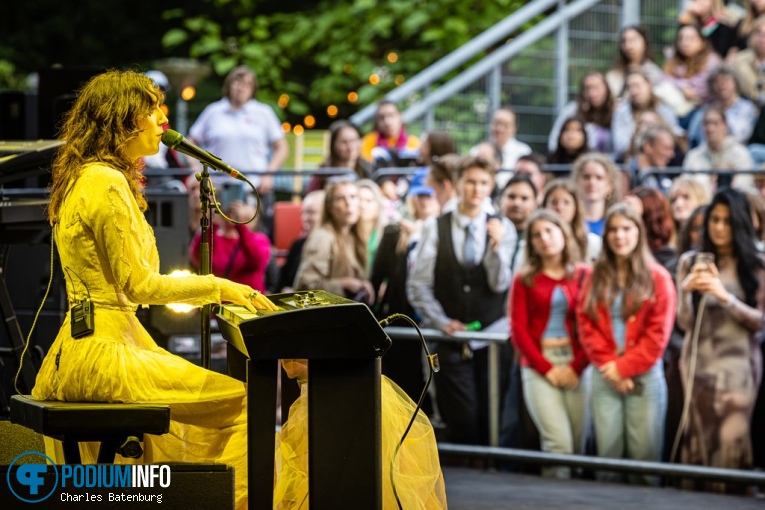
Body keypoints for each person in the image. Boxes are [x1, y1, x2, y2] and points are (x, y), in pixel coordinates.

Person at [32, 69, 279, 510]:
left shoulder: (87, 176)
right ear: (124, 120)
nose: (163, 120)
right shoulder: (105, 183)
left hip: (80, 349)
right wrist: (222, 287)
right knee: (245, 406)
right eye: (152, 110)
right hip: (106, 355)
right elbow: (140, 285)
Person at [408, 155, 517, 445]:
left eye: (483, 183)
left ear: (491, 186)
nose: (476, 189)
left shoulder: (503, 226)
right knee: (462, 415)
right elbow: (418, 284)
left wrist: (495, 250)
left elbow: (501, 284)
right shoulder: (435, 226)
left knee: (490, 414)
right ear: (457, 184)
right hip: (450, 337)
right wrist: (442, 322)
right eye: (470, 181)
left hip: (491, 336)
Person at [577, 203, 676, 485]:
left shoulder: (658, 277)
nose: (620, 236)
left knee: (644, 462)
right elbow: (586, 323)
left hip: (644, 378)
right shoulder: (595, 275)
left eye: (627, 229)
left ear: (638, 232)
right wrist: (611, 366)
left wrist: (623, 368)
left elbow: (658, 336)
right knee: (607, 458)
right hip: (604, 373)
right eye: (614, 230)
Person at [676, 188, 765, 493]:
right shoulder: (690, 261)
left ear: (739, 223)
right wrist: (686, 292)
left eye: (727, 221)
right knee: (698, 439)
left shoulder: (757, 265)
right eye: (714, 219)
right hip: (697, 364)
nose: (719, 227)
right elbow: (685, 324)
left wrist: (724, 297)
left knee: (731, 439)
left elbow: (759, 323)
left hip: (738, 368)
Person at [510, 209, 590, 478]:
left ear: (563, 234)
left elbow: (593, 328)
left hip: (577, 367)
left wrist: (576, 368)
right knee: (558, 444)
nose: (544, 238)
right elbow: (519, 331)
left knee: (578, 448)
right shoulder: (524, 279)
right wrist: (547, 369)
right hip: (538, 368)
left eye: (549, 231)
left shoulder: (585, 275)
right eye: (536, 235)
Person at [370, 168, 440, 404]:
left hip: (433, 319)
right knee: (402, 383)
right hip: (401, 319)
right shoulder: (394, 232)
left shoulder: (444, 231)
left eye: (430, 195)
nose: (425, 201)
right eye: (420, 195)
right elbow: (377, 276)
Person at [189, 65, 288, 196]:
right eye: (237, 82)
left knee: (246, 215)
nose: (241, 88)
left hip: (253, 187)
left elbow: (282, 148)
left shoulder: (264, 113)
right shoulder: (213, 111)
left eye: (247, 84)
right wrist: (198, 170)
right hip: (215, 187)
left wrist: (268, 175)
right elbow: (190, 143)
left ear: (253, 89)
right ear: (229, 85)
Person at [293, 179, 374, 304]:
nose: (349, 203)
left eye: (353, 197)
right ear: (330, 207)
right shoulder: (323, 237)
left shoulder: (354, 237)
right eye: (340, 198)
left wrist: (362, 284)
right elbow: (305, 286)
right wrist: (343, 284)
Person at [189, 198, 271, 291]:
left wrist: (240, 225)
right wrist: (212, 222)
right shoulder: (213, 236)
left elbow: (257, 261)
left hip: (249, 300)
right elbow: (196, 258)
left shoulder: (259, 239)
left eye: (247, 218)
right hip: (220, 301)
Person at [612, 70, 682, 161]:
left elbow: (675, 138)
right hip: (632, 159)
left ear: (649, 85)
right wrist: (639, 133)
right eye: (629, 87)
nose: (634, 91)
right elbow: (620, 146)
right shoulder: (622, 112)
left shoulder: (665, 109)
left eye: (637, 86)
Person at [683, 105, 756, 191]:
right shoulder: (693, 157)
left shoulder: (740, 154)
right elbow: (685, 186)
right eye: (706, 123)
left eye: (715, 123)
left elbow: (744, 186)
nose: (710, 129)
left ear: (725, 126)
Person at [661, 24, 722, 125]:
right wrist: (683, 86)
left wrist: (679, 85)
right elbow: (664, 79)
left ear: (702, 42)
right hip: (676, 110)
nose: (685, 43)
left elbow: (702, 89)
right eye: (682, 39)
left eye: (691, 39)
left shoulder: (712, 61)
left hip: (704, 109)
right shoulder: (673, 60)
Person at [548, 72, 615, 154]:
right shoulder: (572, 110)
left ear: (606, 89)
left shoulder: (617, 111)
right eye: (588, 88)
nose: (592, 93)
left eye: (596, 88)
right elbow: (553, 142)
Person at [541, 178, 602, 263]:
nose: (559, 208)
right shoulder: (537, 242)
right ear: (544, 207)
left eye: (566, 202)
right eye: (554, 202)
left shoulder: (592, 243)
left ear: (576, 207)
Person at [277, 190, 325, 292]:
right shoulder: (297, 244)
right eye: (303, 213)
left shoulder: (335, 245)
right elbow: (281, 282)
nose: (304, 218)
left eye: (311, 212)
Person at [306, 120, 371, 193]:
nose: (350, 147)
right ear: (333, 145)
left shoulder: (367, 168)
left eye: (353, 140)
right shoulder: (323, 172)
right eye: (344, 142)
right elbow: (311, 196)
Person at [605, 26, 664, 99]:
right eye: (624, 41)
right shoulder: (614, 74)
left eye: (633, 40)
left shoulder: (652, 72)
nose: (628, 46)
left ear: (644, 42)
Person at [571, 153, 622, 237]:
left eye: (599, 177)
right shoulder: (567, 221)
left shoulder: (617, 222)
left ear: (610, 186)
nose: (592, 182)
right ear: (576, 182)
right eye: (586, 177)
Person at [491, 106, 532, 176]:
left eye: (505, 125)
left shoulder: (523, 152)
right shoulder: (479, 151)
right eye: (496, 123)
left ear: (514, 128)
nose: (499, 128)